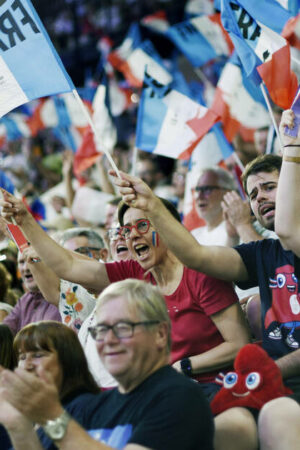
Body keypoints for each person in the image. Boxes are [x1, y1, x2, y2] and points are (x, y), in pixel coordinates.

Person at [109, 148, 300, 449]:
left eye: (269, 187)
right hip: (270, 385)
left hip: (273, 382)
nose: (259, 197)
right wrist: (150, 206)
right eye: (252, 193)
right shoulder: (261, 254)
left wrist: (266, 370)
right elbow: (196, 255)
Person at [0, 190, 250, 400]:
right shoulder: (135, 272)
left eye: (142, 225)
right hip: (158, 390)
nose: (133, 236)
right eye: (127, 230)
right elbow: (68, 266)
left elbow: (239, 344)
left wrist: (183, 366)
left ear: (169, 227)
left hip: (213, 388)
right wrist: (25, 221)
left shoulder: (200, 272)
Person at [0, 279, 214, 449]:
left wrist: (53, 418)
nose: (108, 340)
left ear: (160, 334)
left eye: (122, 327)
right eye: (101, 330)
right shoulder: (93, 406)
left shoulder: (180, 397)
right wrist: (18, 426)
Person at [0, 320, 100, 450]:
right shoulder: (25, 410)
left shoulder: (86, 407)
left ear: (68, 360)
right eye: (22, 357)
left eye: (38, 355)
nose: (27, 365)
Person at [2, 250, 61, 335]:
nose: (26, 268)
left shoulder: (66, 296)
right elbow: (5, 332)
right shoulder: (24, 301)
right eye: (21, 262)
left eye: (32, 260)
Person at [191, 167, 239, 246]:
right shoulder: (194, 235)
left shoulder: (237, 231)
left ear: (227, 192)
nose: (199, 196)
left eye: (207, 189)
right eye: (197, 189)